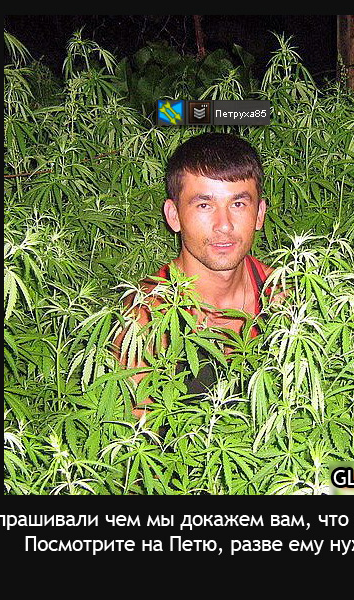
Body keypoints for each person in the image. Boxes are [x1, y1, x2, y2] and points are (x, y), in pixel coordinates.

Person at [114, 132, 273, 418]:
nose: (223, 225)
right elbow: (134, 432)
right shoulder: (146, 317)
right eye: (204, 205)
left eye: (238, 204)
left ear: (259, 213)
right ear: (173, 215)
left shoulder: (283, 295)